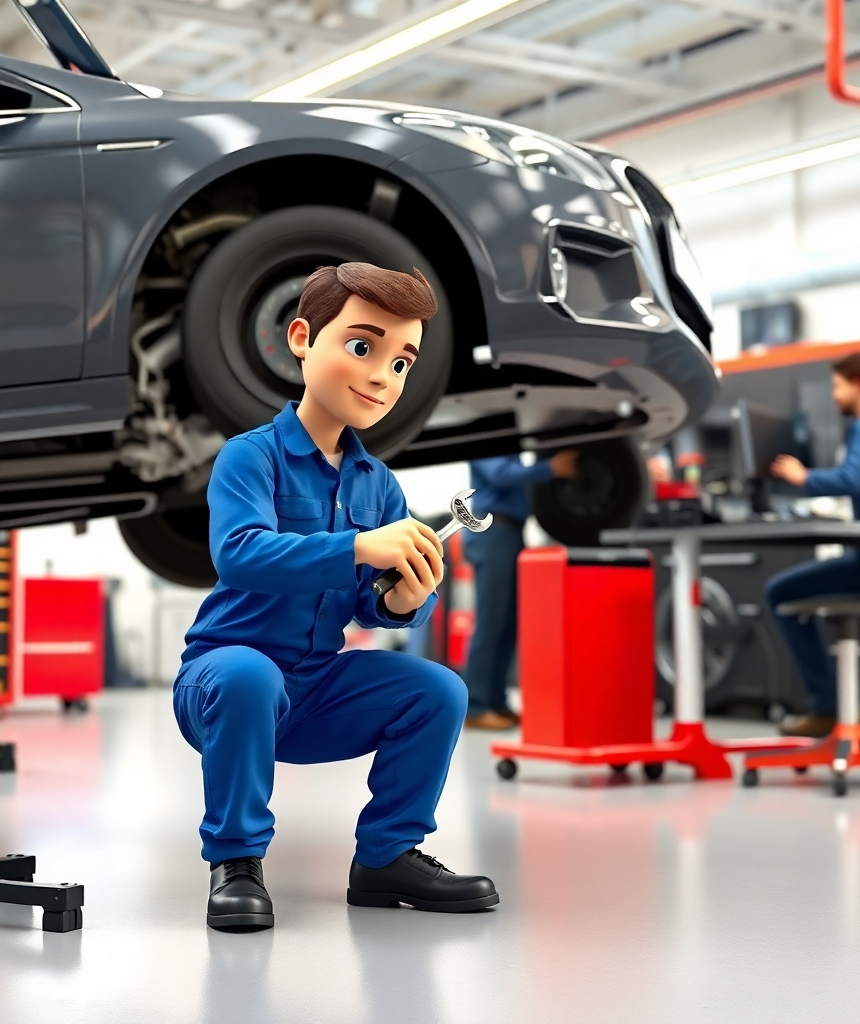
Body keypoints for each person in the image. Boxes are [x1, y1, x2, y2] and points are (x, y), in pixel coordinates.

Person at [173, 263, 499, 931]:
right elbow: (239, 554)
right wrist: (358, 546)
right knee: (249, 675)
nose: (382, 376)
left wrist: (406, 598)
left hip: (315, 688)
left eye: (401, 362)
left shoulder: (379, 485)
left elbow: (371, 604)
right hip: (222, 684)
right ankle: (235, 863)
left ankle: (387, 857)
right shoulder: (249, 457)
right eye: (362, 346)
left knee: (438, 690)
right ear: (301, 339)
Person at [767, 352, 860, 738]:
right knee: (793, 591)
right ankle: (836, 704)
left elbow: (852, 479)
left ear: (856, 383)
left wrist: (802, 477)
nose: (834, 395)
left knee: (778, 592)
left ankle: (826, 706)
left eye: (837, 386)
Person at [462, 450, 579, 729]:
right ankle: (476, 706)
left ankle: (496, 702)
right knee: (491, 622)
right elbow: (500, 474)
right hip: (492, 531)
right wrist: (550, 468)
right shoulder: (485, 438)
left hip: (511, 531)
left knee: (508, 624)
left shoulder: (507, 443)